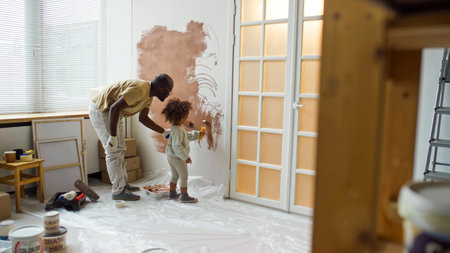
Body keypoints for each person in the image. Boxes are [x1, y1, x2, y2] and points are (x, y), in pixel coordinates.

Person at [89, 74, 174, 201]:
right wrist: (112, 137)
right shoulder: (139, 89)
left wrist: (163, 131)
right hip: (102, 111)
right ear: (162, 89)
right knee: (113, 151)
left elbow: (143, 118)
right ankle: (118, 191)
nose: (168, 96)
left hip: (114, 113)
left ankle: (123, 185)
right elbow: (114, 108)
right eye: (169, 92)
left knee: (121, 148)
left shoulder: (148, 96)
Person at [162, 98, 207, 203]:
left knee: (175, 175)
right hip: (177, 157)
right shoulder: (178, 130)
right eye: (186, 116)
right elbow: (177, 146)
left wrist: (198, 134)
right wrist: (185, 157)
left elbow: (186, 136)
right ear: (181, 117)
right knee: (184, 176)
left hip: (171, 156)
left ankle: (172, 193)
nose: (187, 118)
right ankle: (184, 196)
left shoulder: (176, 128)